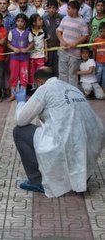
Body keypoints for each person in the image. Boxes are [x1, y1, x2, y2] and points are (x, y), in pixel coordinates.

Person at [13, 67, 105, 197]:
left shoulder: (44, 89)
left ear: (39, 81)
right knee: (71, 136)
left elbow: (21, 120)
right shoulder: (72, 88)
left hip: (68, 140)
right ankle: (81, 176)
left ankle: (36, 181)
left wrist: (21, 103)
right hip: (93, 137)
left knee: (19, 132)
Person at [56, 0, 89, 87]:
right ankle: (63, 92)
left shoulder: (82, 22)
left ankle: (72, 94)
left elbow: (85, 35)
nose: (67, 10)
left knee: (73, 74)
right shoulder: (65, 18)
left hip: (75, 53)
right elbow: (58, 31)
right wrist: (62, 41)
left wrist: (76, 42)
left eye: (69, 9)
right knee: (62, 73)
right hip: (63, 51)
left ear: (75, 10)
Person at [7, 13, 34, 101]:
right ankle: (13, 94)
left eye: (22, 21)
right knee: (13, 75)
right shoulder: (12, 32)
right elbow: (8, 43)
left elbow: (32, 43)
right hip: (14, 58)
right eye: (18, 21)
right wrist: (14, 48)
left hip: (24, 58)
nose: (20, 23)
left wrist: (27, 49)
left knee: (24, 75)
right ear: (15, 22)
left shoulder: (28, 33)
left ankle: (23, 94)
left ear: (25, 23)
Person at [42, 0, 64, 77]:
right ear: (47, 8)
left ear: (57, 8)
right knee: (48, 66)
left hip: (59, 47)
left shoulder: (62, 18)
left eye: (54, 8)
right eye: (50, 8)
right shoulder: (43, 18)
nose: (51, 10)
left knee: (57, 67)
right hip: (48, 47)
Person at [28, 14, 47, 90]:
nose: (41, 20)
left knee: (40, 72)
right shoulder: (29, 31)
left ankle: (40, 87)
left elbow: (45, 43)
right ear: (34, 23)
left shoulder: (44, 30)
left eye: (41, 19)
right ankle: (33, 87)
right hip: (31, 56)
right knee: (32, 72)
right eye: (39, 20)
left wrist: (46, 54)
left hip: (41, 56)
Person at [93, 22, 105, 92]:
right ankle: (96, 90)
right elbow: (94, 51)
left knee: (104, 77)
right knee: (98, 75)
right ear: (99, 31)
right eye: (101, 31)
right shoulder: (96, 40)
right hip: (98, 62)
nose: (103, 33)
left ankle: (103, 90)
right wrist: (94, 60)